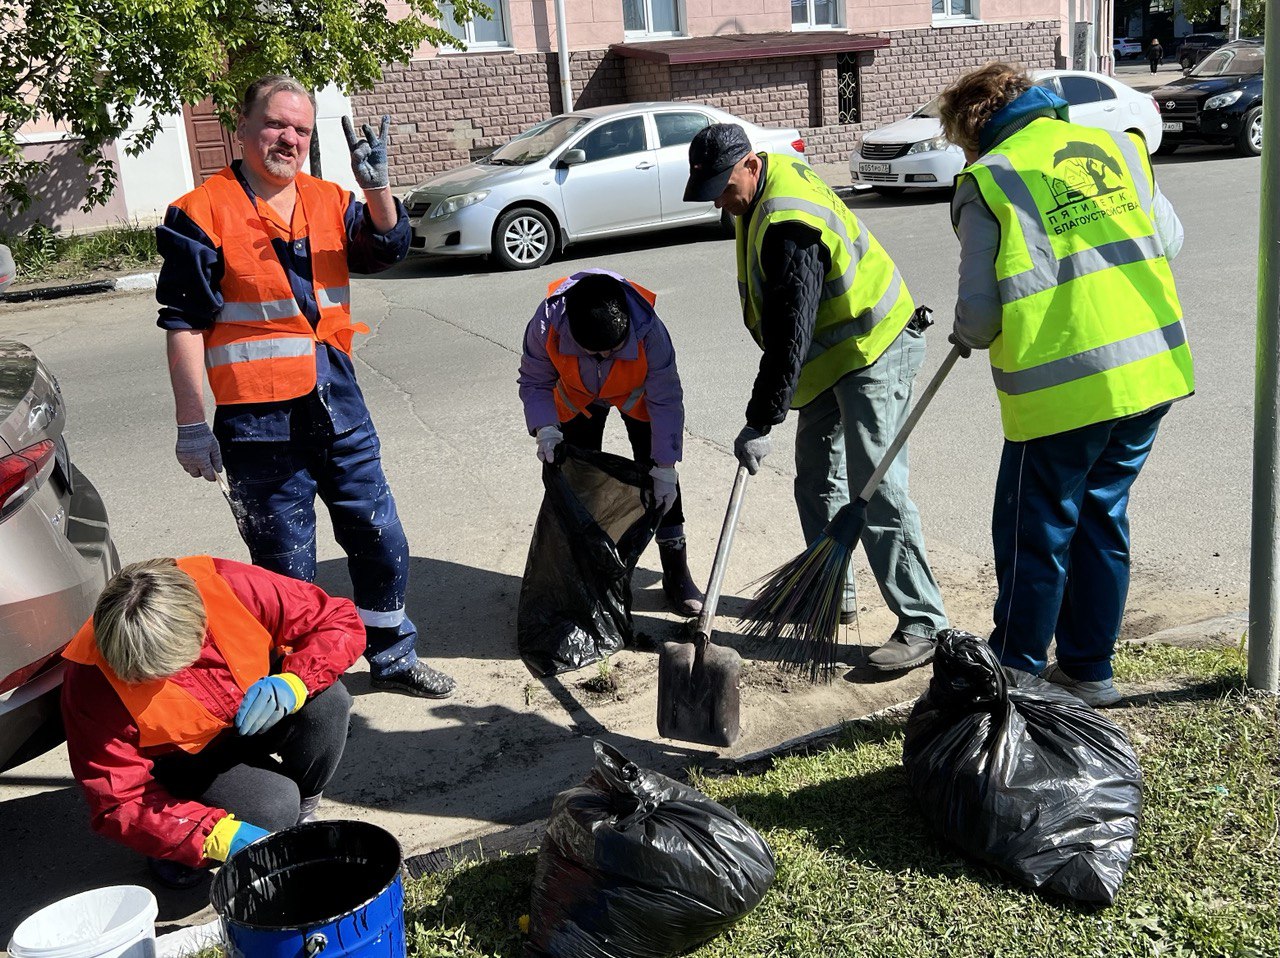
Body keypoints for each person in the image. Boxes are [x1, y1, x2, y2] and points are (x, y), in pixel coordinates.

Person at [154, 75, 454, 698]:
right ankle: (311, 685)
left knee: (379, 536)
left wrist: (377, 190)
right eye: (275, 124)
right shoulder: (199, 212)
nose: (288, 138)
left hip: (338, 407)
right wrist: (190, 422)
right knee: (286, 570)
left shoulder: (329, 198)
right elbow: (183, 321)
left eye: (301, 129)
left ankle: (392, 653)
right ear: (241, 128)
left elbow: (386, 250)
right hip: (258, 427)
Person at [939, 62, 1193, 706]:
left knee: (1036, 531)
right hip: (1148, 373)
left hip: (1063, 392)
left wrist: (965, 335)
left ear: (974, 129)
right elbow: (1170, 239)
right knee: (1103, 515)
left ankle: (1016, 684)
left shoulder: (989, 179)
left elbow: (980, 313)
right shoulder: (1116, 147)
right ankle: (1087, 671)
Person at [684, 124, 947, 671]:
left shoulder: (787, 223)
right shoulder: (760, 192)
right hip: (832, 357)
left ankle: (924, 622)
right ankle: (832, 595)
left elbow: (789, 330)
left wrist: (761, 419)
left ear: (751, 165)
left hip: (875, 344)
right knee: (814, 479)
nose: (721, 201)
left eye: (724, 186)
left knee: (874, 484)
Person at [61, 556, 363, 887]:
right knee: (273, 807)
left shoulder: (228, 586)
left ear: (200, 625)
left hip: (255, 710)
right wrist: (212, 834)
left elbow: (336, 620)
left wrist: (295, 682)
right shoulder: (91, 682)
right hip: (181, 759)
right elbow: (119, 799)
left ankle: (303, 815)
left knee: (329, 703)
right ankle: (175, 842)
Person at [517, 270, 704, 615]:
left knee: (661, 484)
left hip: (639, 400)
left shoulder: (649, 331)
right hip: (577, 399)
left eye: (612, 349)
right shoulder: (547, 325)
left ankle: (676, 572)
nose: (604, 357)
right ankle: (583, 571)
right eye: (594, 351)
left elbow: (666, 399)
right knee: (579, 479)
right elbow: (534, 379)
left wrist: (665, 467)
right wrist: (545, 428)